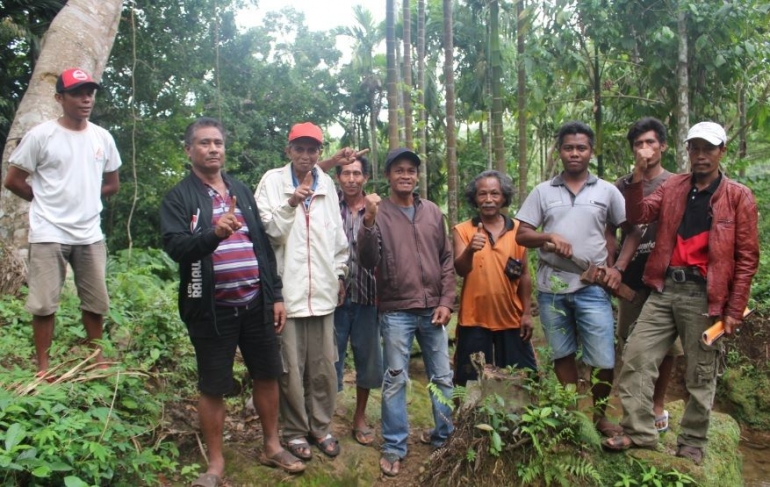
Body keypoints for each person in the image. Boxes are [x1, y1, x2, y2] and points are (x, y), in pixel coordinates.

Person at [604, 121, 759, 465]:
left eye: (709, 148)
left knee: (700, 372)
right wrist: (637, 175)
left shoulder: (738, 196)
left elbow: (747, 259)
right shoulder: (674, 187)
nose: (701, 155)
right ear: (687, 151)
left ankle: (691, 441)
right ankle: (640, 431)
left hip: (706, 295)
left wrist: (733, 309)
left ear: (722, 152)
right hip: (664, 288)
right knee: (637, 355)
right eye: (695, 148)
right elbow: (638, 215)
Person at [161, 118, 305, 485]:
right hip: (209, 308)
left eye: (218, 143)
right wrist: (213, 234)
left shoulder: (240, 189)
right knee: (213, 384)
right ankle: (216, 464)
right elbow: (177, 247)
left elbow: (262, 246)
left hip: (256, 302)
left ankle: (272, 446)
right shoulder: (179, 197)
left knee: (268, 373)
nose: (213, 149)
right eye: (204, 143)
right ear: (188, 150)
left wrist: (275, 295)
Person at [4, 67, 120, 376]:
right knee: (44, 305)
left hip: (89, 234)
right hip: (48, 231)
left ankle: (96, 356)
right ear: (60, 98)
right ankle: (43, 366)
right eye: (77, 93)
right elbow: (13, 180)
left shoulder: (102, 138)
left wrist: (87, 199)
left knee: (95, 301)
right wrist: (44, 200)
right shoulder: (41, 135)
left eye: (89, 93)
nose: (85, 99)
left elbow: (113, 183)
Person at [515, 121, 628, 438]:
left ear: (591, 151)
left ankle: (599, 416)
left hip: (592, 287)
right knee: (562, 353)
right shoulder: (542, 192)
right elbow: (522, 234)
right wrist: (548, 235)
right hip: (553, 288)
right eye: (568, 147)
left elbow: (627, 231)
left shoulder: (607, 191)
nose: (574, 153)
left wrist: (617, 267)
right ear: (559, 151)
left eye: (581, 147)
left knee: (603, 356)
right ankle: (571, 413)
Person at [357, 148, 455, 477]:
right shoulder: (377, 211)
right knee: (395, 379)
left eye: (411, 170)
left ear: (417, 176)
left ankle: (445, 438)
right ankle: (395, 445)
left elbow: (446, 261)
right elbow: (368, 260)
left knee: (442, 376)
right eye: (399, 170)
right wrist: (368, 222)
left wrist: (445, 301)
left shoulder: (431, 212)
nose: (405, 175)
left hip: (433, 310)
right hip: (396, 309)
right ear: (388, 176)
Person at [254, 122, 349, 462]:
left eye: (312, 149)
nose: (306, 155)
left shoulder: (328, 185)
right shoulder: (272, 182)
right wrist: (292, 202)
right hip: (288, 294)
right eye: (300, 148)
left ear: (319, 152)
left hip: (323, 292)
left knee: (324, 366)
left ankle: (321, 427)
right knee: (290, 369)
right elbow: (268, 233)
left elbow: (338, 240)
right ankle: (294, 432)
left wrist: (339, 275)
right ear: (288, 150)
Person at [605, 117, 682, 434]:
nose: (645, 149)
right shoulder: (620, 186)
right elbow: (612, 231)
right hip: (632, 277)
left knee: (668, 349)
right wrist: (613, 271)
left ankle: (657, 405)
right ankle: (633, 409)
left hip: (667, 277)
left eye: (651, 142)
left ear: (663, 146)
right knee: (631, 343)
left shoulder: (677, 183)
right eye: (638, 144)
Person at [453, 170, 537, 386]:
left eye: (494, 194)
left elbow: (524, 274)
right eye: (482, 194)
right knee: (469, 382)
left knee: (522, 382)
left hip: (511, 319)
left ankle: (518, 421)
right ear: (475, 197)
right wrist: (471, 249)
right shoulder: (463, 230)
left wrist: (527, 313)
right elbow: (460, 269)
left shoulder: (519, 230)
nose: (488, 200)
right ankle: (469, 421)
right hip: (473, 320)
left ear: (504, 197)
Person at [330, 155, 383, 447]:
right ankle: (325, 416)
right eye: (346, 173)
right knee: (330, 358)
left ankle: (359, 416)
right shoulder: (328, 206)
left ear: (365, 178)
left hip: (368, 296)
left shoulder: (375, 207)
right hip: (333, 298)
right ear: (338, 177)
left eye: (357, 173)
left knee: (368, 359)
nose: (351, 179)